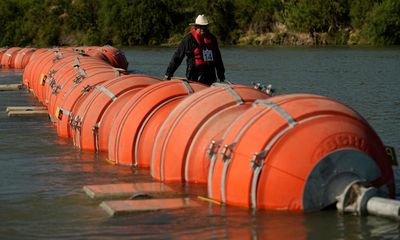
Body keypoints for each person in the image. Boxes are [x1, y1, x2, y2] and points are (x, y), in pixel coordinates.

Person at [164, 14, 225, 85]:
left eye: (205, 27)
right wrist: (168, 74)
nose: (203, 29)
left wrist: (221, 76)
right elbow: (177, 57)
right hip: (194, 75)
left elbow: (218, 58)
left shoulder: (212, 38)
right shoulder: (188, 39)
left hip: (210, 75)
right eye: (200, 27)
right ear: (196, 27)